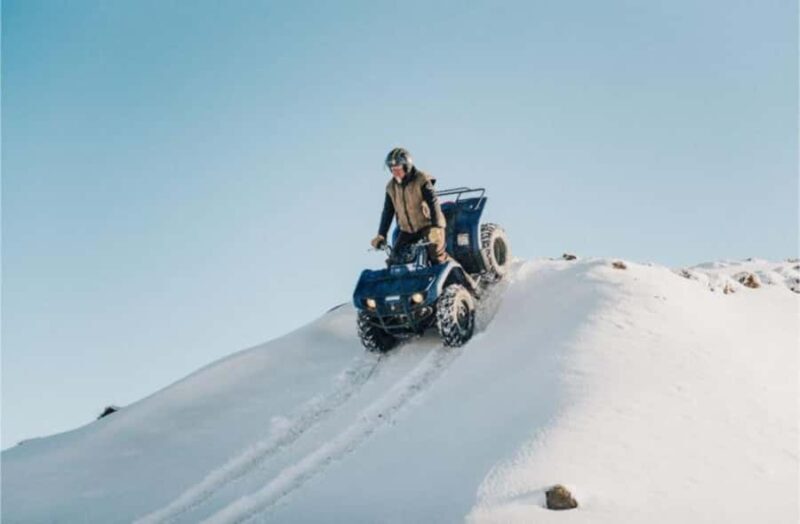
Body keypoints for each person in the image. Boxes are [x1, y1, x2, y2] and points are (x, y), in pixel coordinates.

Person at [370, 147, 450, 264]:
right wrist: (381, 235)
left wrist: (436, 227)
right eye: (392, 170)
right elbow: (387, 212)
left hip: (428, 226)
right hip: (408, 231)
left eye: (398, 169)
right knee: (394, 260)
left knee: (437, 257)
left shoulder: (421, 179)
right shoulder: (391, 187)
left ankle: (459, 274)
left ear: (406, 167)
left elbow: (433, 203)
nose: (395, 173)